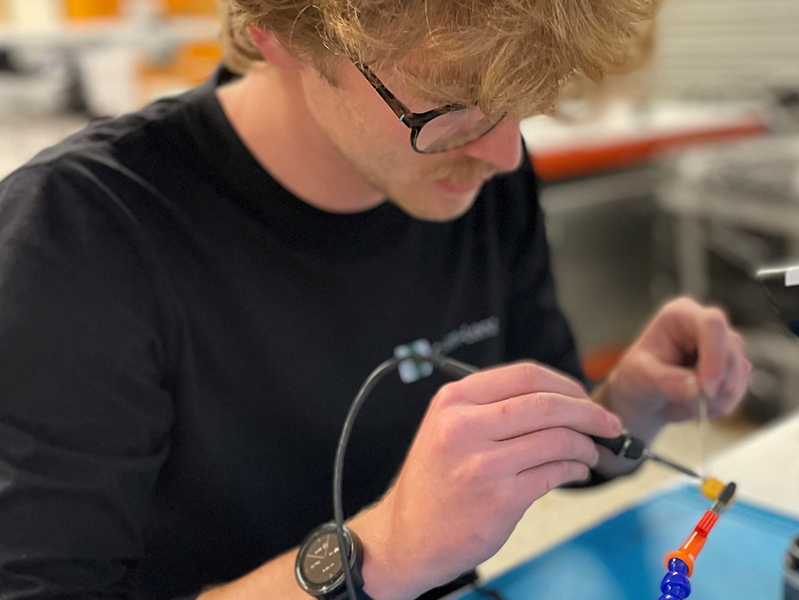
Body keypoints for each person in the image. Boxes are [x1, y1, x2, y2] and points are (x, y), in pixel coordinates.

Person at [0, 1, 751, 598]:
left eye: (528, 102)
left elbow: (555, 449)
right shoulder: (80, 235)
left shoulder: (481, 183)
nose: (504, 152)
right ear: (278, 32)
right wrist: (380, 555)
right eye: (451, 102)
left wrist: (634, 405)